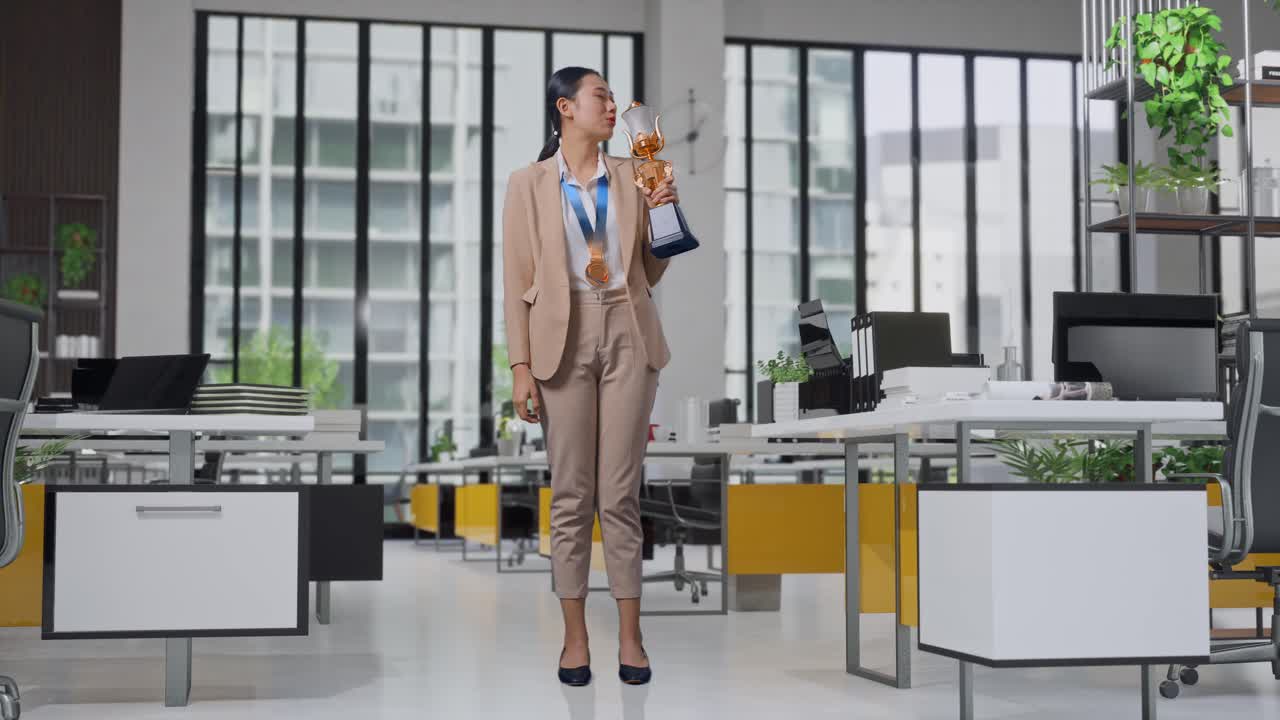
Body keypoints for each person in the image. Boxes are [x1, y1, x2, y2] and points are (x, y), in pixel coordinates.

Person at [501, 66, 678, 687]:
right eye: (600, 96)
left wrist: (664, 213)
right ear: (565, 108)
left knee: (619, 496)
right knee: (572, 496)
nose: (611, 106)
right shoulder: (527, 183)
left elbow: (651, 270)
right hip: (561, 334)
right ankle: (575, 639)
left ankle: (631, 637)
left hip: (628, 325)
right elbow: (516, 282)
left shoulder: (635, 173)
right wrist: (520, 366)